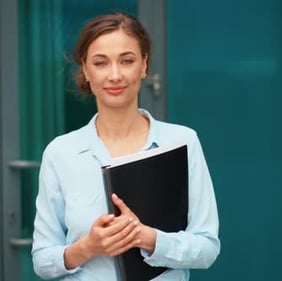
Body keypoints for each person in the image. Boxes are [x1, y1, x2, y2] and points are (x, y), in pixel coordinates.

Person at [31, 12, 220, 281]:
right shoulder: (60, 153)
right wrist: (86, 248)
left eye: (127, 60)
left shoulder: (182, 142)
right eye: (101, 63)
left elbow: (207, 248)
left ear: (144, 65)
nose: (115, 75)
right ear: (85, 69)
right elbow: (42, 259)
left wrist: (148, 238)